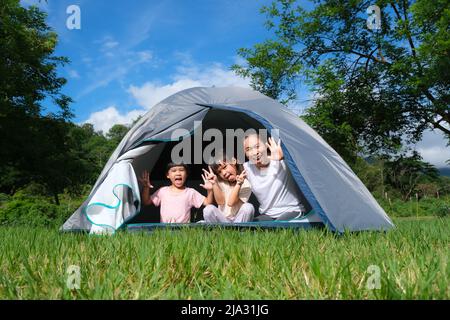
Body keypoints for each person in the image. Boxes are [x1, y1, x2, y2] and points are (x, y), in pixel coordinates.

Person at [243, 134, 305, 221]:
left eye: (257, 146)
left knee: (278, 227)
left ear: (265, 145)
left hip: (291, 210)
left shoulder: (282, 161)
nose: (254, 152)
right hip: (268, 215)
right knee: (251, 228)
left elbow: (305, 162)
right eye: (248, 149)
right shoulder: (246, 168)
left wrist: (285, 158)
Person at [138, 163, 214, 223]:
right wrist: (145, 187)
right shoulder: (162, 191)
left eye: (181, 170)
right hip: (165, 230)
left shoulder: (190, 192)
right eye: (174, 171)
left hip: (184, 231)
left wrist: (210, 190)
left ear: (186, 174)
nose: (178, 173)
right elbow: (146, 202)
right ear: (168, 175)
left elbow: (208, 202)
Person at [201, 156, 254, 223]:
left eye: (224, 167)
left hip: (238, 220)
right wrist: (214, 184)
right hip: (223, 220)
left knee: (248, 207)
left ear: (234, 161)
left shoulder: (245, 184)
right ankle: (217, 231)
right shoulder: (220, 182)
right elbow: (220, 202)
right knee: (208, 209)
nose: (223, 173)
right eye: (219, 172)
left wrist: (238, 184)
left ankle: (241, 231)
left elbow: (231, 203)